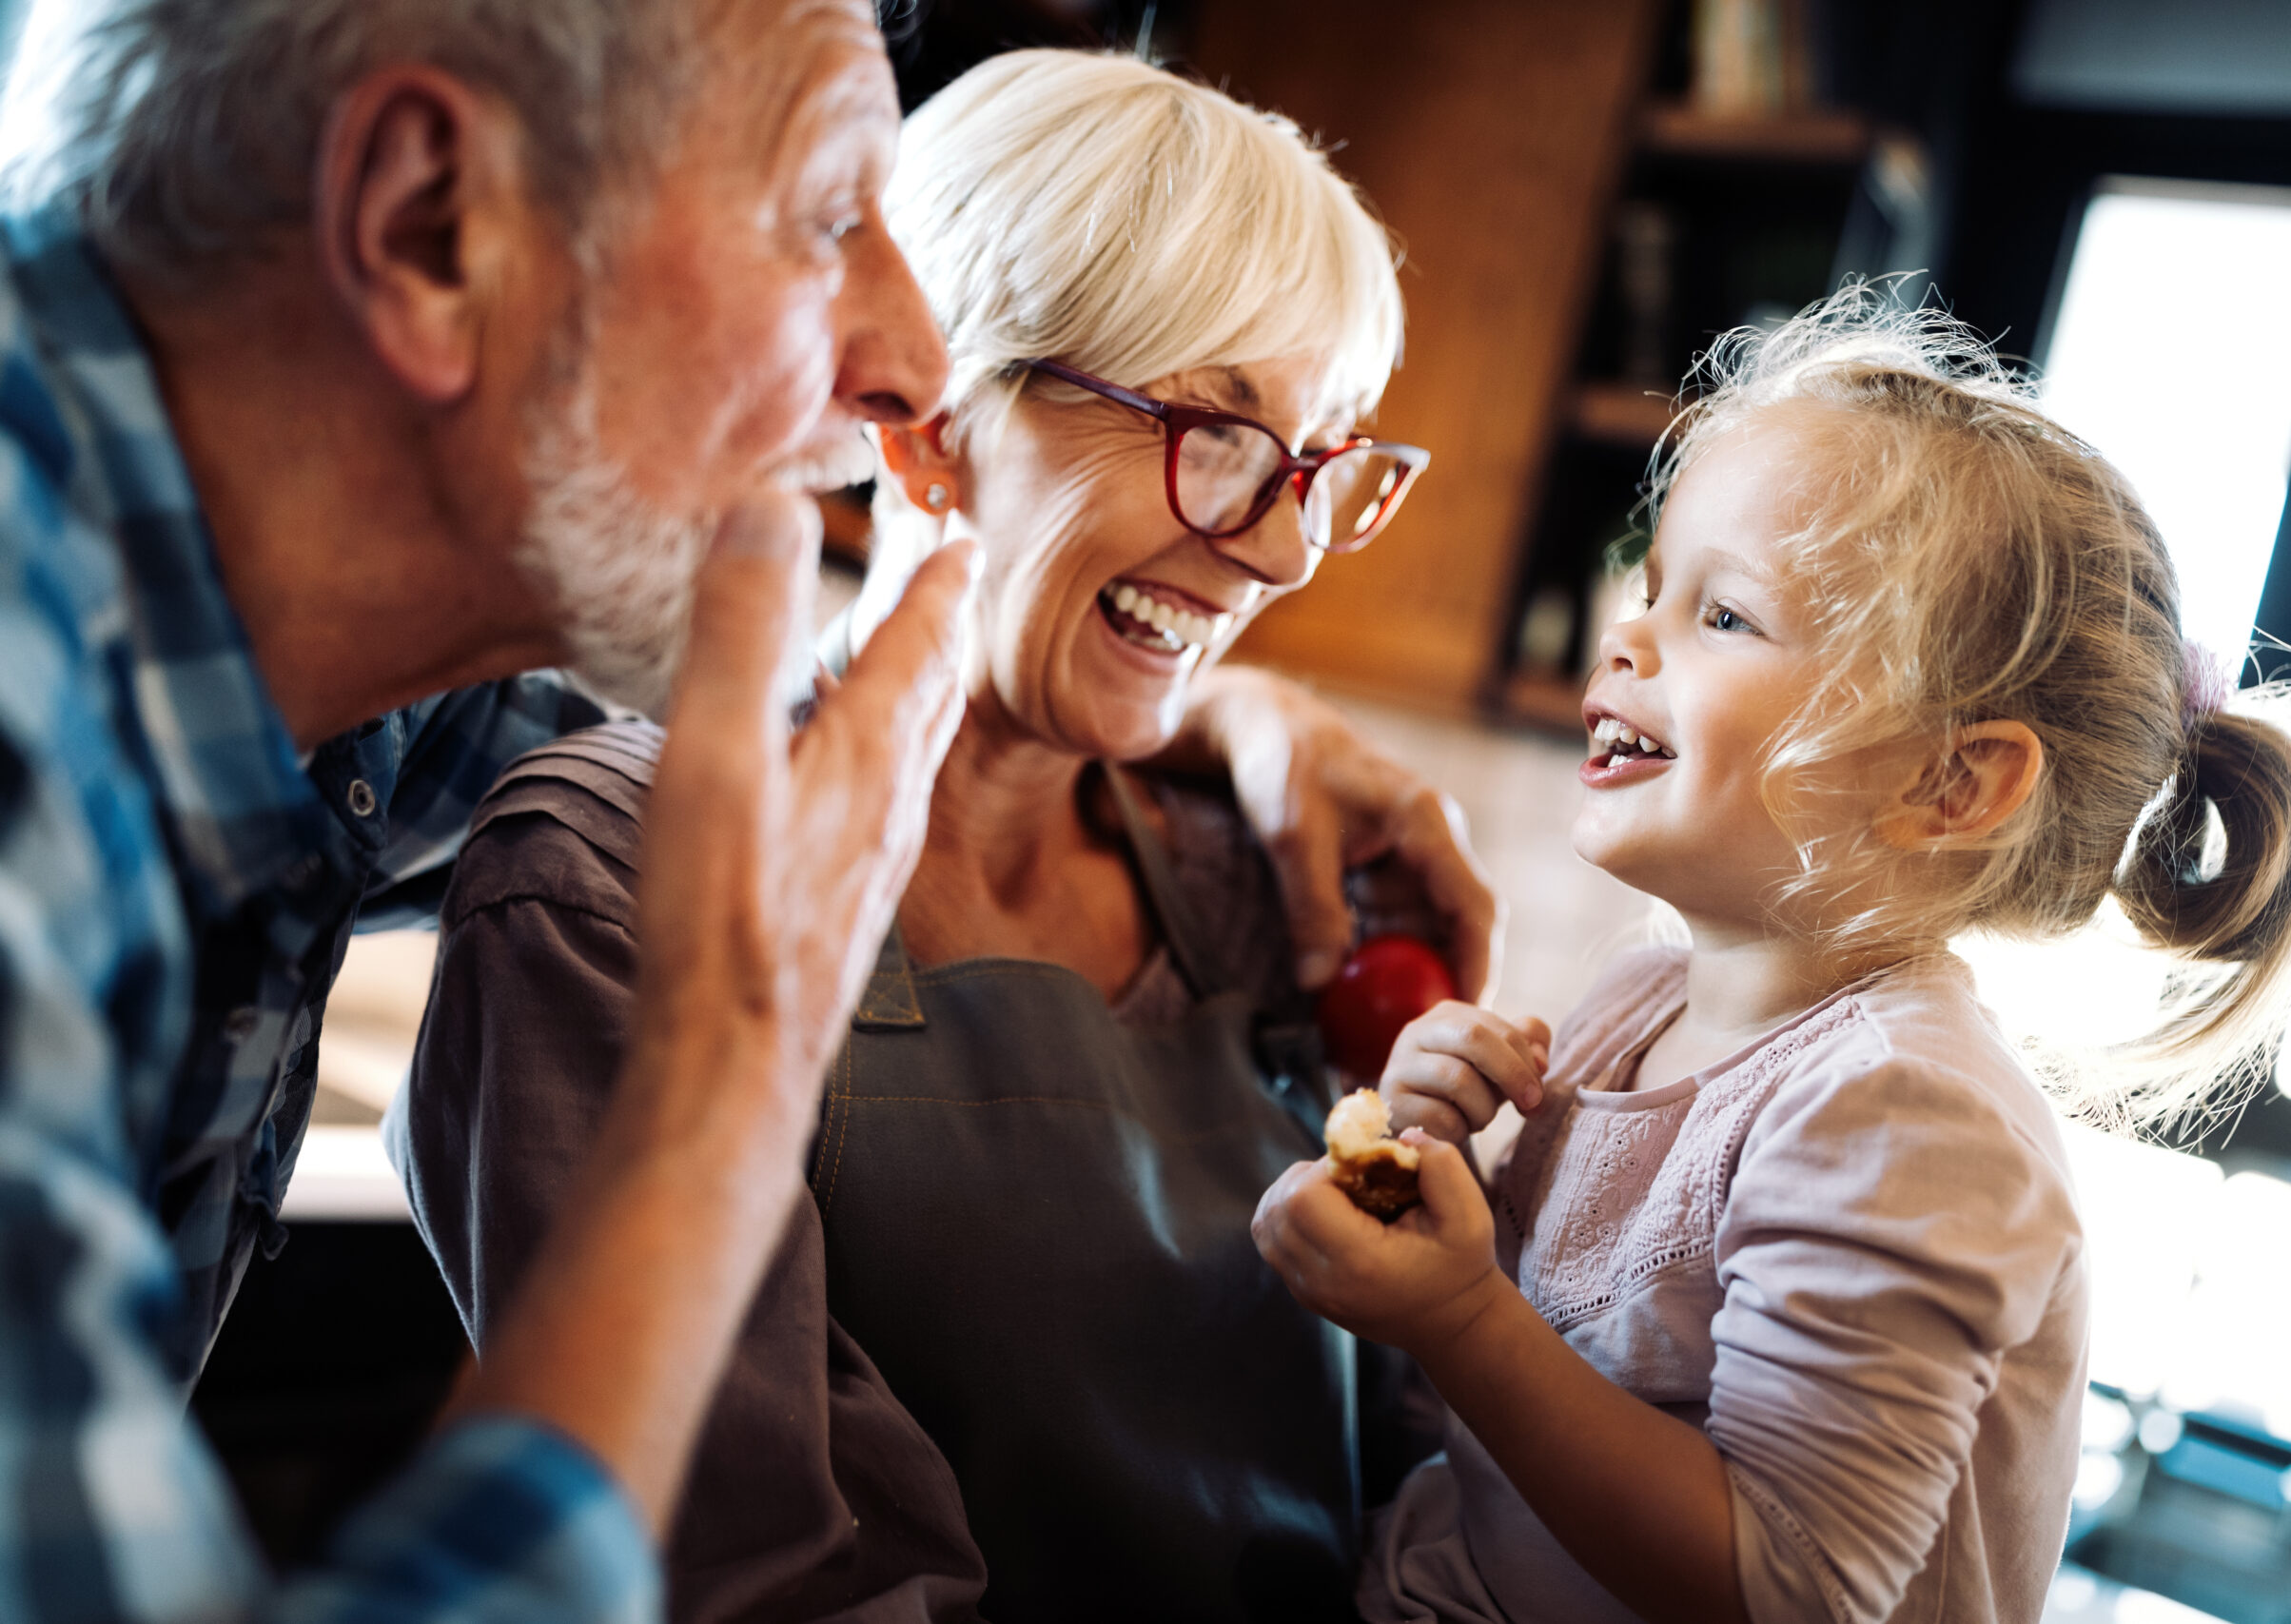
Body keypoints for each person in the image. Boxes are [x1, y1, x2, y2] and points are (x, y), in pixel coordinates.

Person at [0, 4, 1493, 1618]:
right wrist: (718, 1094)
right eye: (827, 217)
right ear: (433, 227)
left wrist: (1197, 695)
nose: (903, 373)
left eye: (1315, 471)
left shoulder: (342, 703)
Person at [1254, 292, 2291, 1624]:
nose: (1626, 635)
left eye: (1726, 619)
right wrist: (1422, 1197)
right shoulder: (1638, 1005)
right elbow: (1505, 1450)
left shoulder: (1907, 1114)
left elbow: (1790, 1584)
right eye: (1655, 586)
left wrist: (1463, 1314)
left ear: (1953, 783)